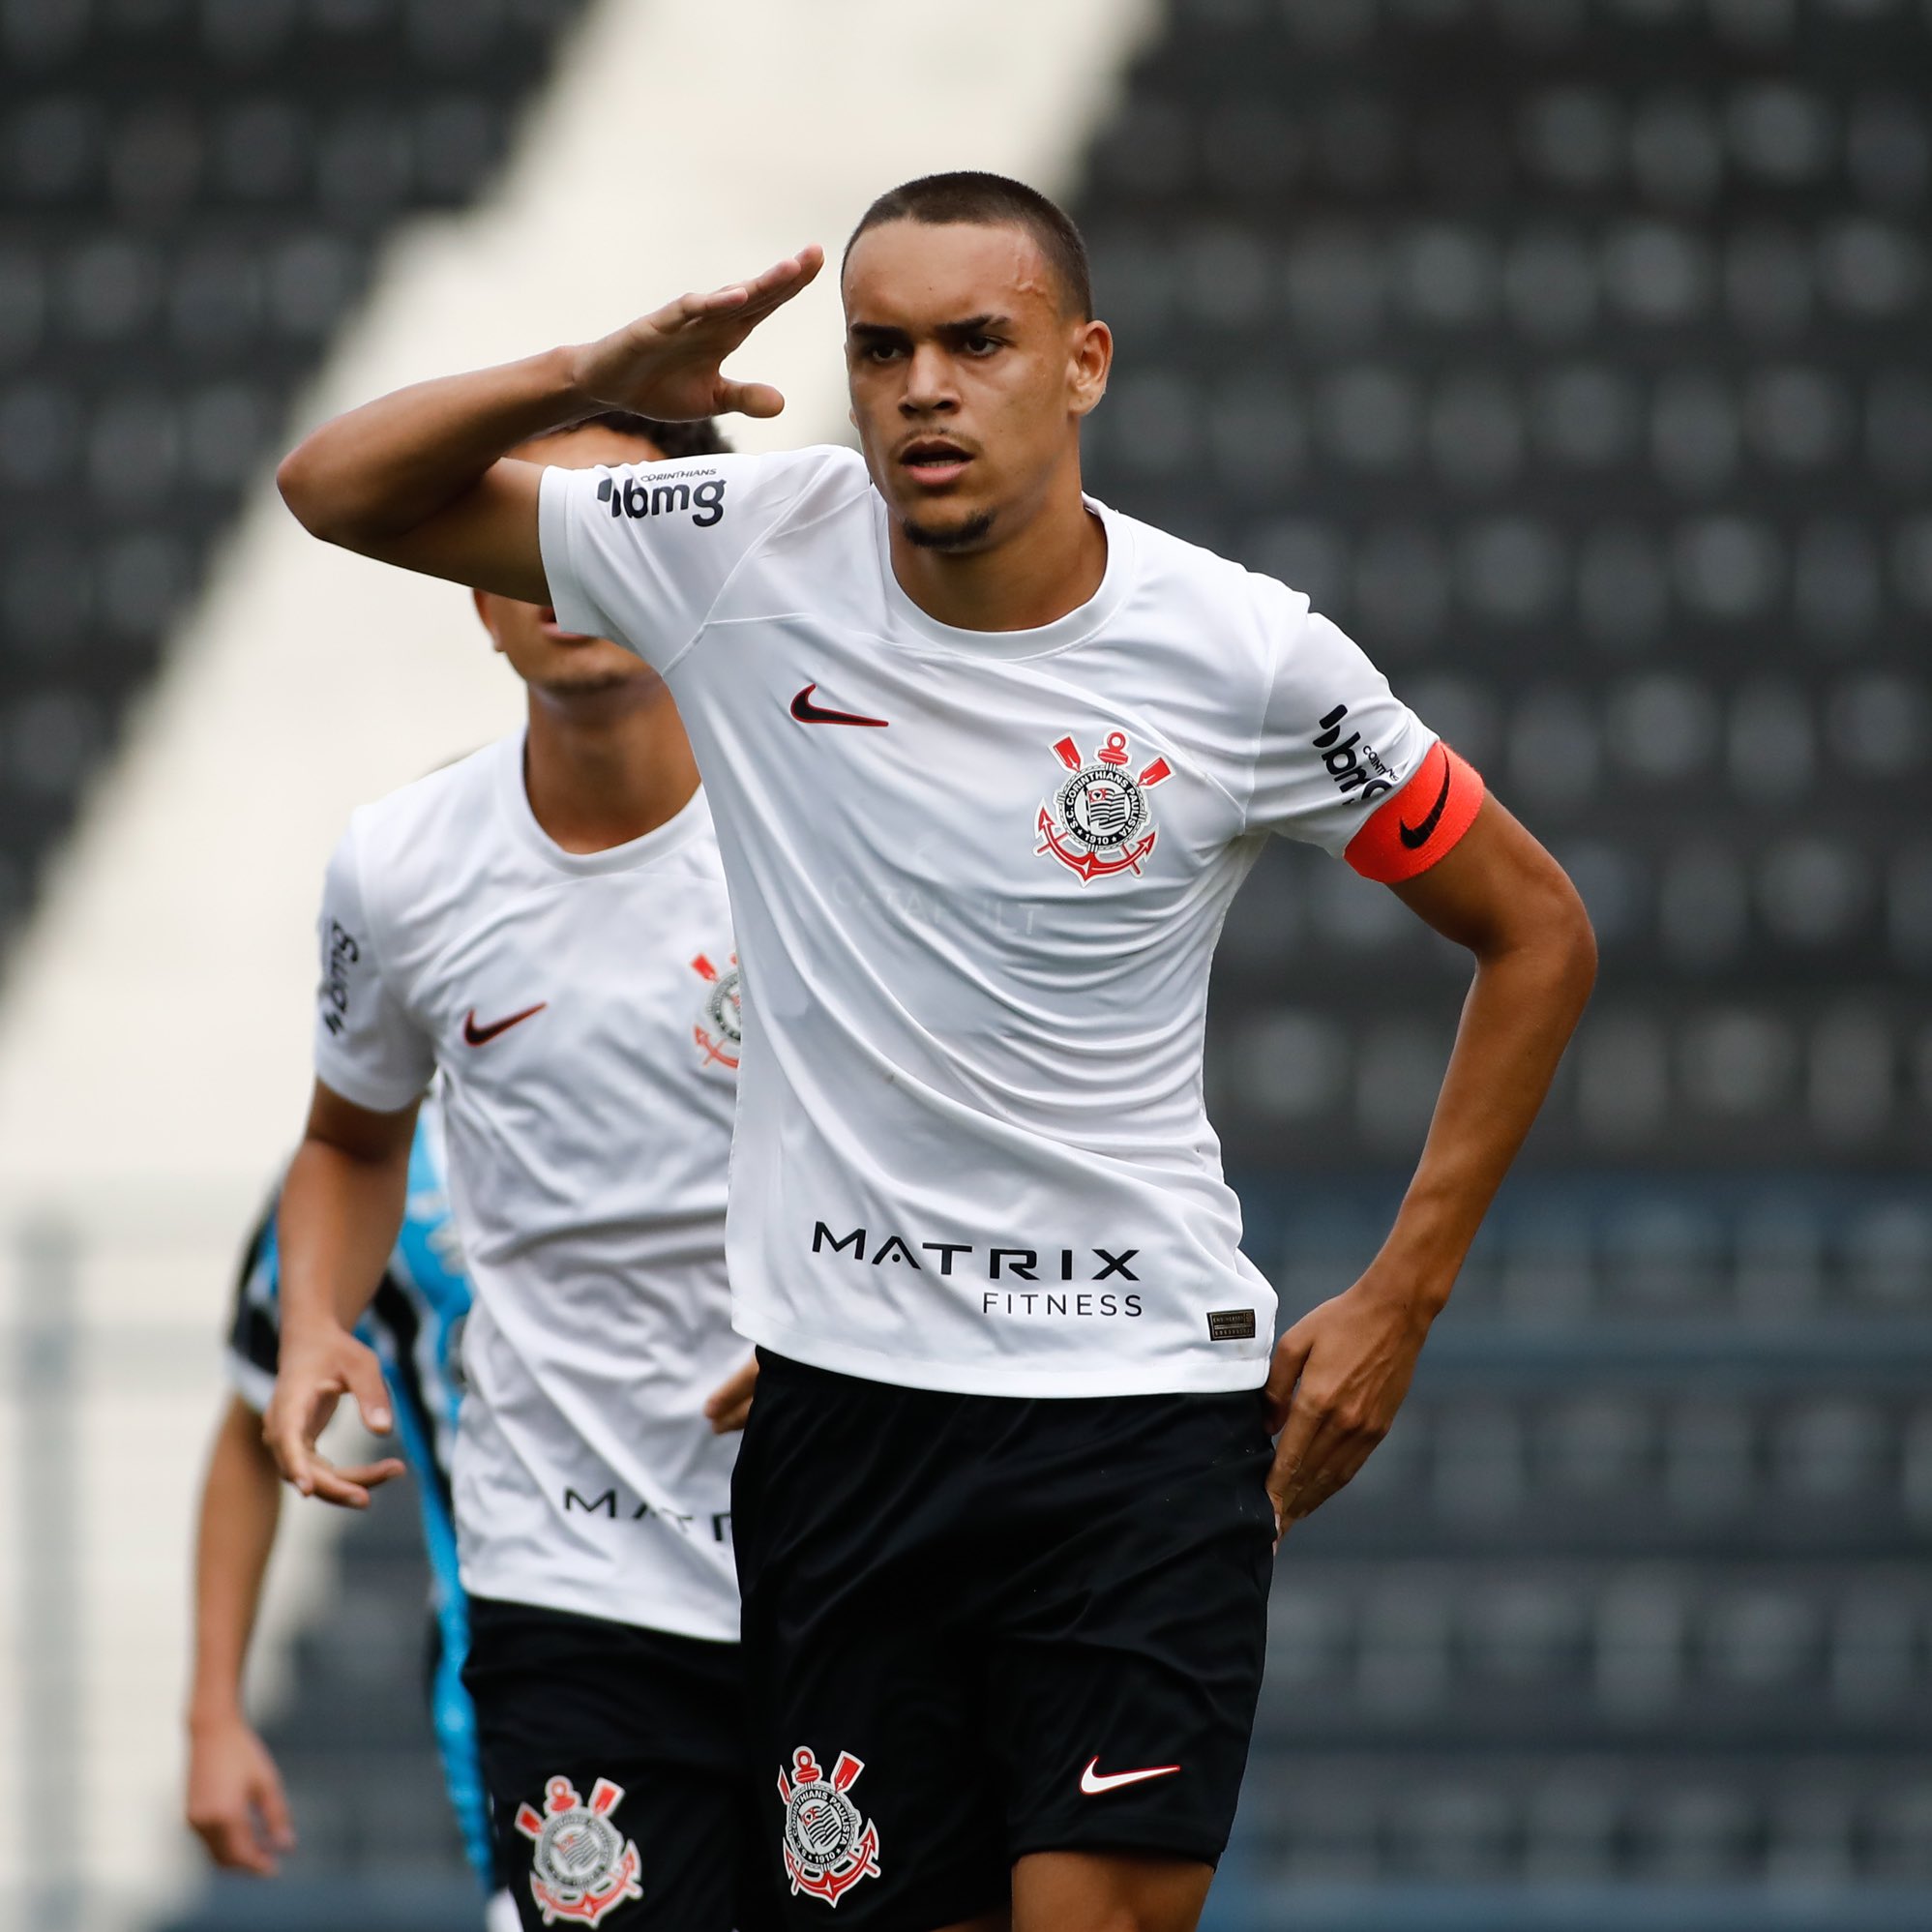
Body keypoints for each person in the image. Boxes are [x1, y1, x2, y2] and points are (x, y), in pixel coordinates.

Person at [273, 173, 1598, 1932]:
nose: (921, 387)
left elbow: (1536, 930)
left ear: (1083, 363)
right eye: (879, 346)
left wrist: (1398, 1300)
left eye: (976, 342)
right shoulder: (738, 553)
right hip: (847, 1429)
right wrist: (595, 365)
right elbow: (337, 488)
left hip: (1132, 1423)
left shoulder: (1246, 657)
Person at [263, 411, 769, 1932]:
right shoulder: (401, 865)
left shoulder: (825, 815)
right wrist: (309, 1324)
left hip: (845, 1545)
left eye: (609, 518)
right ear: (471, 581)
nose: (567, 565)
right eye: (525, 530)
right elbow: (348, 1136)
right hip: (565, 1567)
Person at [185, 1096, 512, 1927]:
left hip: (783, 1639)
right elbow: (254, 1427)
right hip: (524, 1676)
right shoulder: (379, 1158)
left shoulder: (723, 1094)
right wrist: (214, 1713)